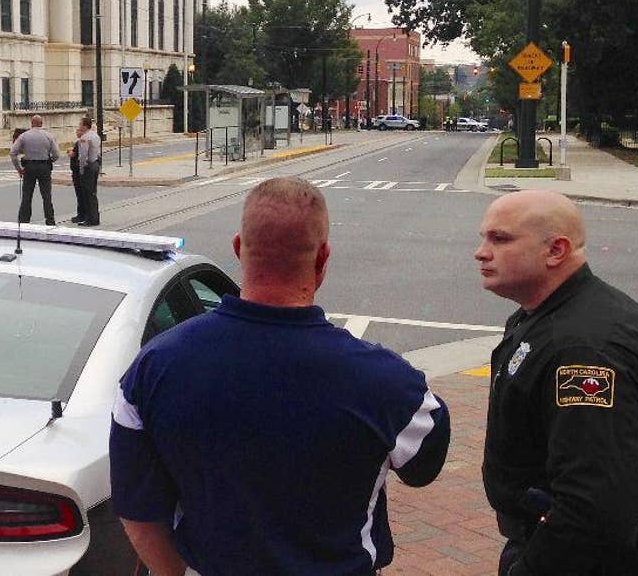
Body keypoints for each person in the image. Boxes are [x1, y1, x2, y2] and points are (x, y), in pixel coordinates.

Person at [109, 177, 450, 576]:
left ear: (238, 248)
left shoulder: (153, 369)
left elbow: (137, 509)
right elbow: (422, 466)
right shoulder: (387, 382)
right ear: (323, 257)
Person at [474, 190, 638, 576]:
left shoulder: (586, 349)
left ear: (556, 251)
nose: (481, 252)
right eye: (484, 237)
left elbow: (594, 506)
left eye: (499, 239)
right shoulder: (545, 314)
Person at [9, 114, 59, 225]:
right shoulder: (49, 136)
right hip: (44, 167)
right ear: (42, 123)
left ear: (31, 123)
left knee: (27, 195)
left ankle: (24, 220)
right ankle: (50, 220)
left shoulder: (24, 136)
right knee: (46, 195)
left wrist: (19, 168)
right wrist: (50, 161)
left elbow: (13, 153)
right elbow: (56, 154)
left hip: (29, 167)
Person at [75, 116, 101, 226]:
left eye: (80, 124)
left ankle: (90, 219)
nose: (79, 126)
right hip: (95, 164)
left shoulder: (84, 138)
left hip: (88, 167)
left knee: (87, 193)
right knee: (93, 192)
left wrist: (81, 169)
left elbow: (83, 156)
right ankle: (94, 216)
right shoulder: (95, 135)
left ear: (85, 126)